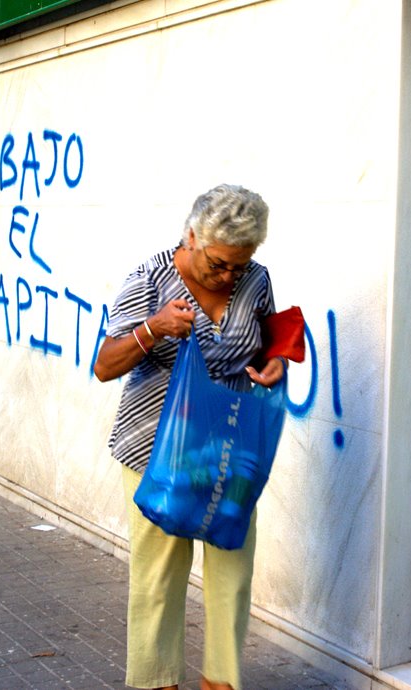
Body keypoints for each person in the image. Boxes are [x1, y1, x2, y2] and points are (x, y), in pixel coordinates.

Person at [94, 184, 286, 690]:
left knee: (233, 574)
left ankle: (221, 682)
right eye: (218, 264)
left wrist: (275, 361)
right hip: (156, 451)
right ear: (192, 237)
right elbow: (104, 364)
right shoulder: (150, 278)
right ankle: (158, 681)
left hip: (228, 453)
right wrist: (153, 328)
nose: (228, 276)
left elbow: (272, 337)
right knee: (159, 577)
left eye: (238, 266)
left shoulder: (255, 281)